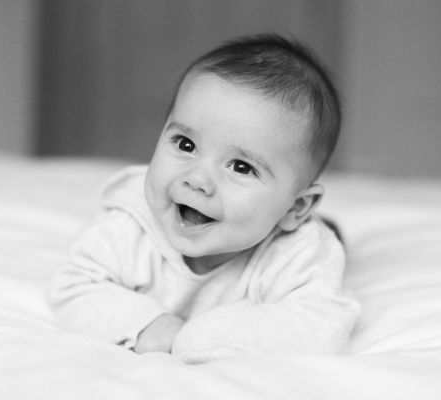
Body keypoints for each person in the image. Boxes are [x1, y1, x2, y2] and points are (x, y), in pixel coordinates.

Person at [48, 33, 360, 364]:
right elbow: (72, 288)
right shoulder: (130, 225)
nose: (197, 179)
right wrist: (149, 325)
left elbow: (323, 325)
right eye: (185, 144)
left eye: (241, 167)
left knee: (329, 249)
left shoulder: (296, 252)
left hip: (291, 238)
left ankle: (329, 228)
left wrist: (204, 338)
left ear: (295, 208)